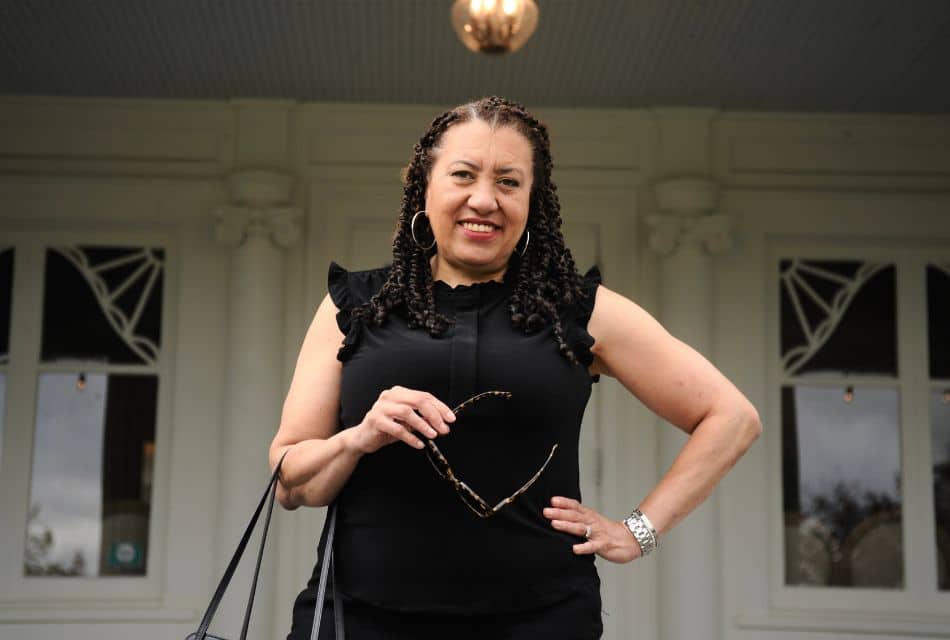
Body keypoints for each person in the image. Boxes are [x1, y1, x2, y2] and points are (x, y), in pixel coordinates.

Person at [270, 96, 762, 639]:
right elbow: (290, 483)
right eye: (462, 175)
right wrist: (358, 438)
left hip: (540, 621)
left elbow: (732, 417)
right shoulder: (355, 305)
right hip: (358, 619)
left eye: (508, 182)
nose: (484, 199)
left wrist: (636, 531)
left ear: (533, 201)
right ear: (424, 187)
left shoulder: (577, 309)